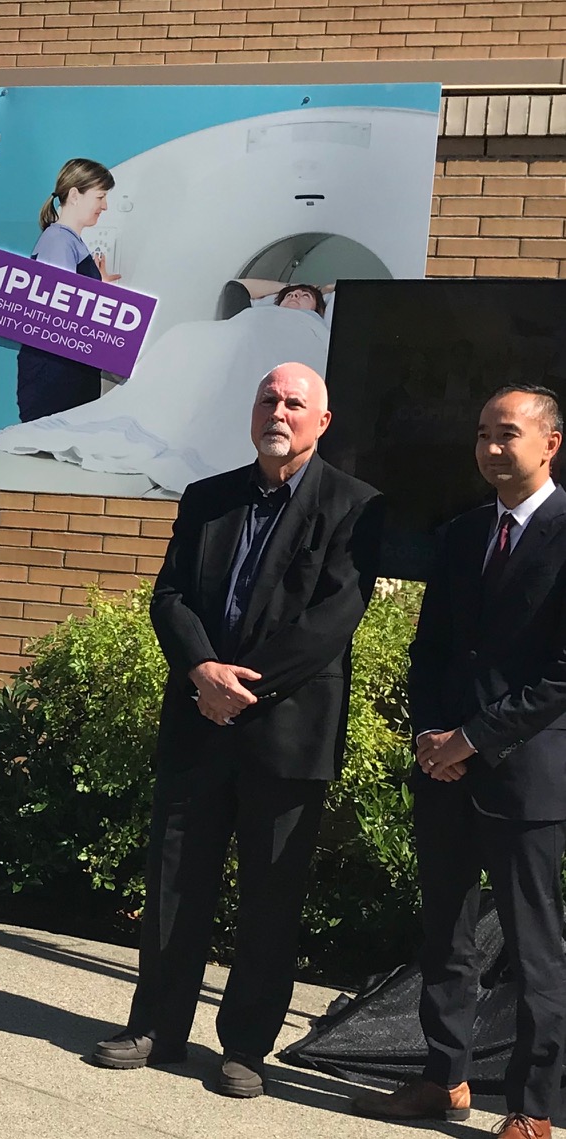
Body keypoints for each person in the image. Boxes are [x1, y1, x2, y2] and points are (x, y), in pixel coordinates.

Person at [90, 362, 382, 1098]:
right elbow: (170, 595)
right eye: (266, 400)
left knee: (269, 897)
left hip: (284, 736)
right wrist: (200, 671)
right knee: (173, 884)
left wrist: (238, 687)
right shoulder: (207, 498)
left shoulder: (354, 507)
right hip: (196, 721)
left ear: (322, 420)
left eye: (293, 402)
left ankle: (246, 1046)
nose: (277, 412)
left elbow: (331, 620)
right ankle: (156, 1026)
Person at [352, 386, 566, 1139]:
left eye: (506, 433)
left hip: (522, 776)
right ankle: (444, 1076)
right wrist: (430, 736)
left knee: (533, 950)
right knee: (443, 935)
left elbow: (559, 675)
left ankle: (531, 1107)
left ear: (549, 443)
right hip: (443, 768)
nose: (490, 448)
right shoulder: (461, 533)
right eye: (481, 434)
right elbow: (430, 650)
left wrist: (472, 737)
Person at [17, 157, 117, 423]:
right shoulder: (59, 241)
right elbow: (59, 309)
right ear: (75, 195)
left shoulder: (67, 241)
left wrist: (99, 286)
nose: (105, 206)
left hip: (66, 369)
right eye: (100, 197)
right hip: (57, 373)